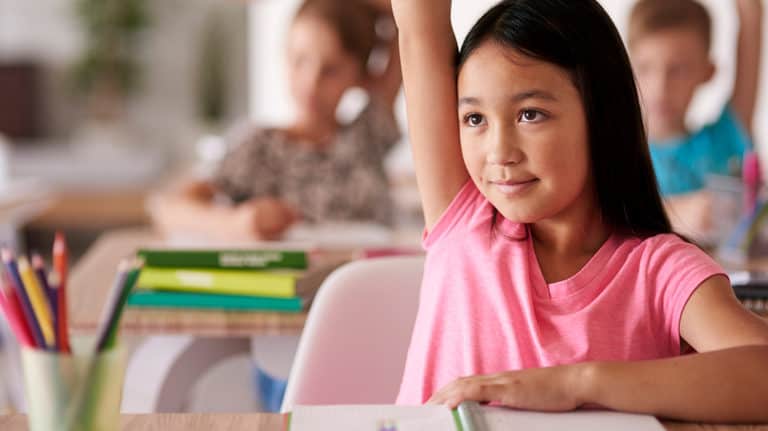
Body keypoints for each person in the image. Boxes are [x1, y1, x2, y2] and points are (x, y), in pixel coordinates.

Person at [392, 0, 768, 422]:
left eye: (530, 114)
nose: (499, 152)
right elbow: (418, 22)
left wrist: (576, 384)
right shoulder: (463, 217)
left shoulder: (658, 270)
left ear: (600, 115)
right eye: (475, 118)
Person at [150, 0, 402, 241]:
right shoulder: (258, 146)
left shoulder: (368, 132)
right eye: (299, 60)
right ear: (284, 55)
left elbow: (412, 14)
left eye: (331, 69)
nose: (311, 82)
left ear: (360, 74)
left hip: (367, 278)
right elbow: (166, 209)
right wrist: (237, 222)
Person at [628, 0, 763, 236]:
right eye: (645, 67)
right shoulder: (613, 152)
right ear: (626, 68)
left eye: (678, 70)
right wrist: (675, 214)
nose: (661, 87)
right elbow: (600, 220)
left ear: (708, 72)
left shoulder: (725, 138)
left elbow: (752, 16)